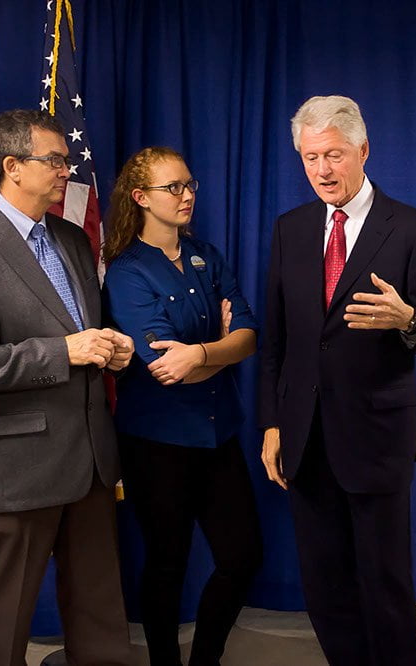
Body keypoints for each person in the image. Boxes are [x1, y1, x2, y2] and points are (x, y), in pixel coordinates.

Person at [0, 109, 135, 666]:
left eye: (67, 159)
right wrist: (66, 352)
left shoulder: (69, 237)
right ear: (12, 166)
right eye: (55, 160)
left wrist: (112, 346)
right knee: (0, 627)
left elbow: (80, 330)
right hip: (15, 469)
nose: (67, 169)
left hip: (90, 458)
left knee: (100, 618)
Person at [258, 95, 416, 666]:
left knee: (384, 585)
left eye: (335, 155)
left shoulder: (413, 228)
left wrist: (408, 320)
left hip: (375, 438)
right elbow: (278, 341)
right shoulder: (289, 229)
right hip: (303, 436)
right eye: (311, 157)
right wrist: (272, 422)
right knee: (325, 586)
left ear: (363, 151)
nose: (322, 169)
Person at [102, 146, 263, 666]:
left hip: (218, 433)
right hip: (157, 442)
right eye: (175, 188)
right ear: (141, 197)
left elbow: (249, 336)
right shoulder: (127, 272)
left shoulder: (205, 255)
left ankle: (205, 659)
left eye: (190, 185)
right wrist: (216, 348)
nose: (188, 195)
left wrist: (200, 351)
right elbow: (164, 367)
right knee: (167, 562)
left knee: (242, 556)